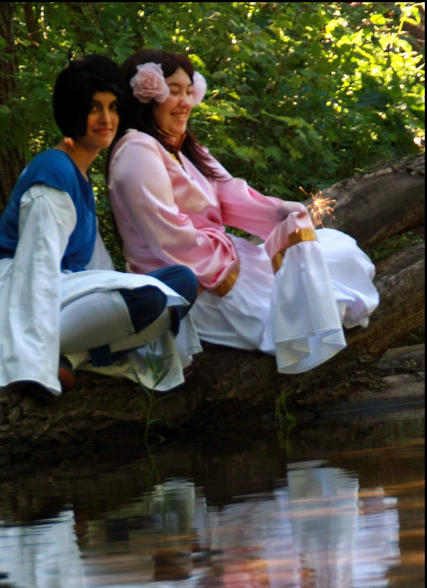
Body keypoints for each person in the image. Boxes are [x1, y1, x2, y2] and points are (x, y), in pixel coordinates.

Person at [107, 50, 380, 375]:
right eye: (173, 91)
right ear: (145, 96)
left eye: (187, 91)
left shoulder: (180, 148)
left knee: (338, 252)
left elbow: (227, 193)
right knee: (292, 314)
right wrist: (225, 260)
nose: (184, 102)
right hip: (189, 282)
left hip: (221, 259)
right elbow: (167, 236)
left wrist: (280, 211)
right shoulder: (137, 151)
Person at [0, 56, 200, 397]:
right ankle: (30, 355)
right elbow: (36, 265)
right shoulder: (54, 172)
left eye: (113, 107)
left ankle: (72, 355)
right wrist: (30, 352)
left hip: (67, 290)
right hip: (19, 290)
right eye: (93, 108)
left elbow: (97, 266)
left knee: (180, 284)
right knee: (147, 298)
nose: (106, 119)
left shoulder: (81, 176)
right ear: (72, 112)